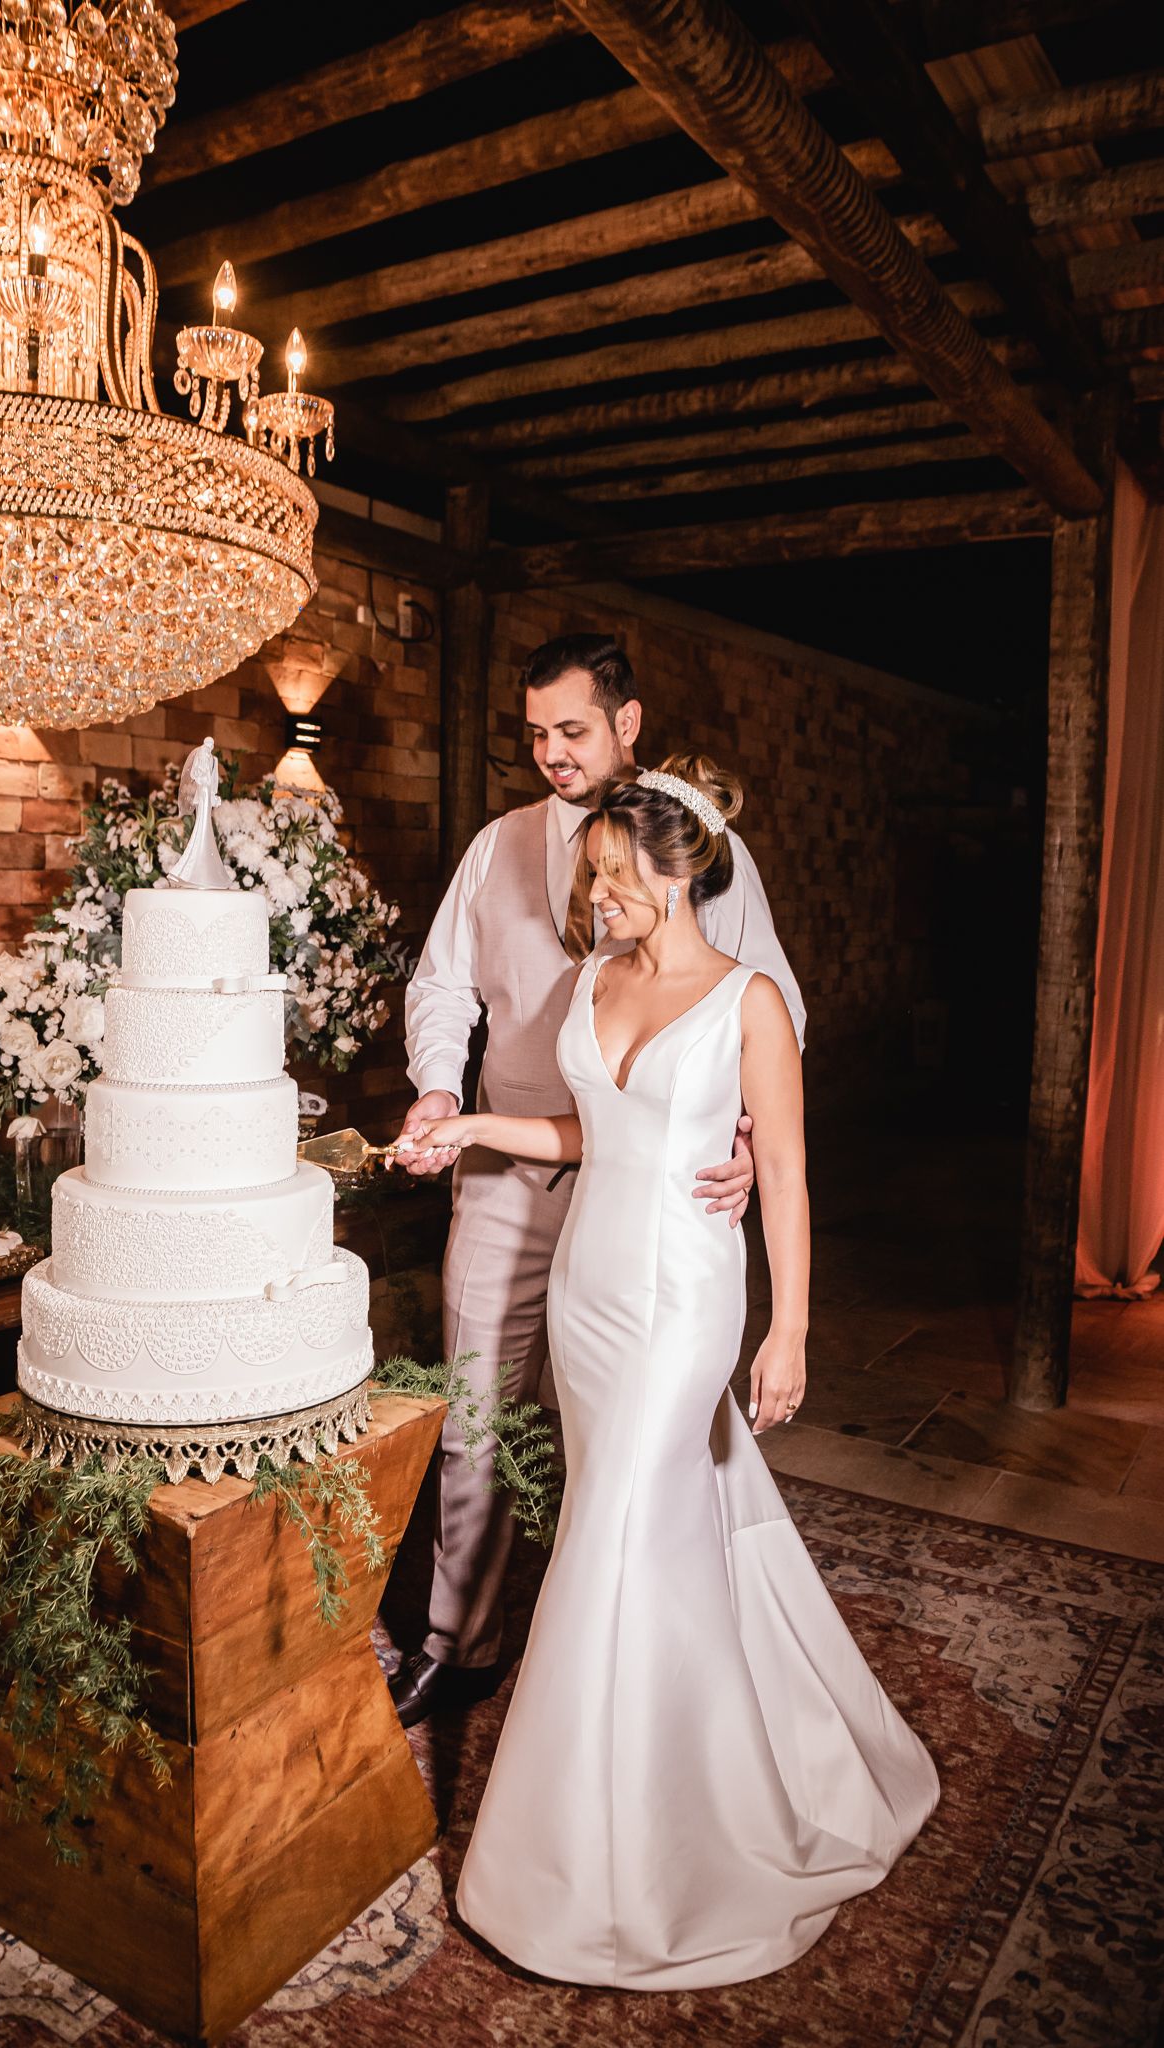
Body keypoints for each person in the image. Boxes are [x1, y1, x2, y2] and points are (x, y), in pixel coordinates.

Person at [407, 758, 939, 1988]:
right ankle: (677, 1764)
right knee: (634, 1530)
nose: (596, 898)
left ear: (676, 865)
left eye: (611, 876)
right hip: (593, 1290)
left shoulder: (748, 1001)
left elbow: (789, 1178)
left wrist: (789, 1327)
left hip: (688, 1299)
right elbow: (599, 1131)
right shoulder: (595, 980)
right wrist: (472, 1127)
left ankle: (604, 1866)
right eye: (590, 876)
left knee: (610, 1540)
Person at [390, 634, 805, 1728]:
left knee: (623, 1445)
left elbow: (771, 1010)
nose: (550, 754)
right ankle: (455, 1640)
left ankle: (620, 1663)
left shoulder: (704, 852)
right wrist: (441, 1091)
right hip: (507, 1170)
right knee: (474, 1413)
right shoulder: (497, 846)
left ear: (626, 723)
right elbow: (441, 984)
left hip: (657, 1203)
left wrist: (748, 1135)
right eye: (533, 734)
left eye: (570, 730)